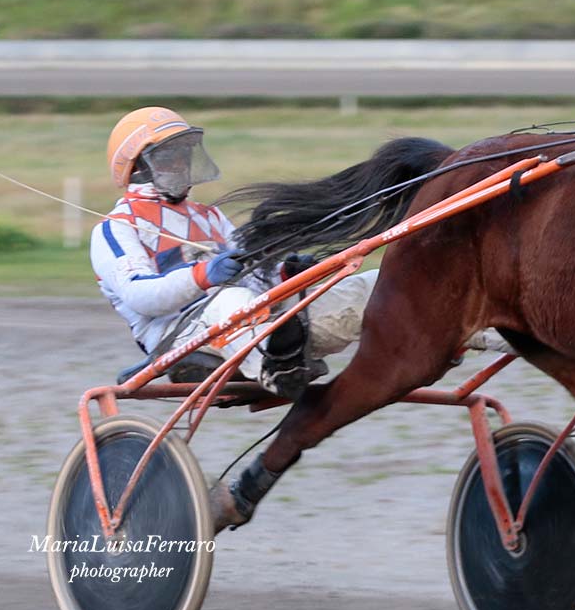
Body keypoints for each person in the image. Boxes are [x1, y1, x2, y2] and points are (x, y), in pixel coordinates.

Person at [90, 106, 376, 400]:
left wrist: (282, 274)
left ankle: (393, 344)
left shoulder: (209, 216)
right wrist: (203, 275)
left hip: (249, 319)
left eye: (184, 153)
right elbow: (139, 294)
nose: (182, 162)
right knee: (231, 298)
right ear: (138, 167)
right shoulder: (116, 228)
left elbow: (250, 275)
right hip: (180, 336)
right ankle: (278, 369)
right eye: (169, 155)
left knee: (371, 284)